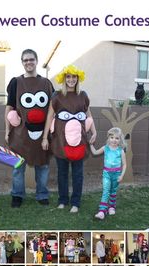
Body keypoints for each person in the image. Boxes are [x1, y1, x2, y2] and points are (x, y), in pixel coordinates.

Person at [42, 65, 96, 213]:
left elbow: (88, 115)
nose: (71, 80)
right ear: (64, 79)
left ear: (78, 79)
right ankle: (63, 200)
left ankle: (76, 202)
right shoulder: (57, 96)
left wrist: (94, 131)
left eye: (74, 77)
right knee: (62, 173)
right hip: (60, 141)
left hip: (79, 140)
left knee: (78, 173)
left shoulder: (83, 95)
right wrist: (45, 138)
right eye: (68, 77)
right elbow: (49, 116)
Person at [5, 49, 54, 208]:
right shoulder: (16, 82)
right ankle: (17, 195)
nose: (28, 62)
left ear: (36, 60)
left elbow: (53, 109)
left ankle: (42, 195)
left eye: (31, 59)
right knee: (18, 166)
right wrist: (7, 131)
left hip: (42, 134)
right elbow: (9, 108)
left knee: (43, 164)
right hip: (21, 134)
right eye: (25, 60)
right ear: (22, 62)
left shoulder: (46, 83)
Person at [90, 127, 127, 219]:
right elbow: (94, 152)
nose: (114, 140)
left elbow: (125, 164)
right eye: (112, 137)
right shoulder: (105, 148)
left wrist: (121, 176)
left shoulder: (120, 151)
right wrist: (91, 144)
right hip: (106, 174)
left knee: (113, 191)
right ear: (108, 138)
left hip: (116, 174)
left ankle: (111, 207)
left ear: (120, 140)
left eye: (117, 138)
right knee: (106, 191)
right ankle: (102, 211)